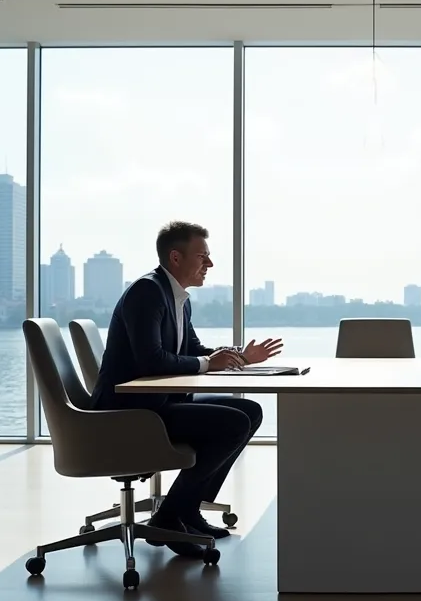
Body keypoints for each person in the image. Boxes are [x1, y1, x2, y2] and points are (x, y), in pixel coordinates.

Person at [91, 220, 284, 558]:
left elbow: (193, 350)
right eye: (202, 256)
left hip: (157, 404)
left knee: (250, 411)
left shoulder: (178, 298)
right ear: (176, 257)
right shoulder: (147, 292)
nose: (210, 264)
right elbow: (152, 361)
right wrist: (210, 363)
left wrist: (241, 357)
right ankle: (169, 517)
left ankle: (188, 510)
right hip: (131, 413)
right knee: (233, 423)